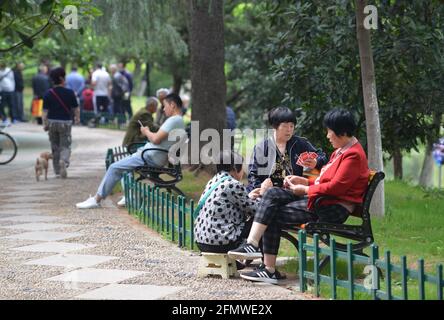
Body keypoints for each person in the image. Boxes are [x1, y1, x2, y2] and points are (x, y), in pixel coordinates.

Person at [228, 109, 370, 284]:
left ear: (341, 131)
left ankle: (262, 260)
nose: (327, 136)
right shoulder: (341, 151)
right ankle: (260, 257)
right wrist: (303, 181)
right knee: (270, 198)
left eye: (329, 131)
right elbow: (324, 182)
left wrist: (304, 189)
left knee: (270, 209)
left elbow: (335, 187)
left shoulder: (352, 155)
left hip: (332, 209)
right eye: (285, 125)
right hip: (322, 202)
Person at [76, 93, 186, 209]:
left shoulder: (174, 120)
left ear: (172, 105)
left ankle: (96, 199)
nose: (163, 109)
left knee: (114, 167)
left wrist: (146, 131)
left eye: (165, 106)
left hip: (149, 157)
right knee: (124, 168)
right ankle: (129, 197)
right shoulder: (178, 121)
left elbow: (156, 139)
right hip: (151, 155)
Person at [247, 106, 327, 194]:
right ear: (274, 126)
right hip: (268, 194)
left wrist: (316, 162)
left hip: (294, 192)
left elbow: (322, 157)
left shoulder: (300, 143)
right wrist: (261, 188)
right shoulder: (262, 147)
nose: (289, 130)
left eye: (291, 126)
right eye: (284, 126)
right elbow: (253, 175)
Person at [194, 150, 257, 261]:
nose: (243, 171)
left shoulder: (214, 180)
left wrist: (249, 196)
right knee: (261, 220)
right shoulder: (233, 184)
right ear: (234, 168)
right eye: (241, 167)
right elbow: (255, 210)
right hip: (221, 243)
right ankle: (261, 260)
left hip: (202, 241)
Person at [42, 67, 80, 179]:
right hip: (66, 123)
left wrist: (45, 123)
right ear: (62, 78)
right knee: (65, 145)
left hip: (52, 123)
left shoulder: (48, 93)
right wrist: (77, 118)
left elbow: (45, 111)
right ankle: (63, 160)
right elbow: (76, 108)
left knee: (55, 146)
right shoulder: (70, 92)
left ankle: (57, 171)